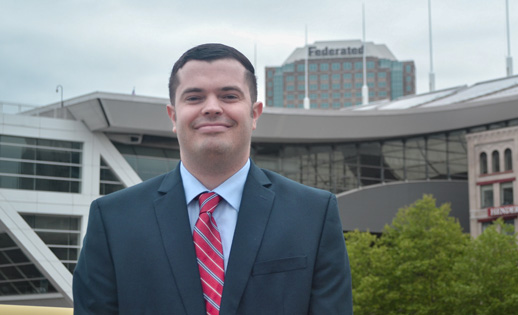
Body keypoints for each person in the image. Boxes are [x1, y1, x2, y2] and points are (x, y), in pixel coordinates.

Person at [73, 43, 353, 314]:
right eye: (194, 97)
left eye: (229, 96)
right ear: (173, 115)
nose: (211, 108)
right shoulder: (112, 220)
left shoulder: (313, 215)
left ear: (255, 113)